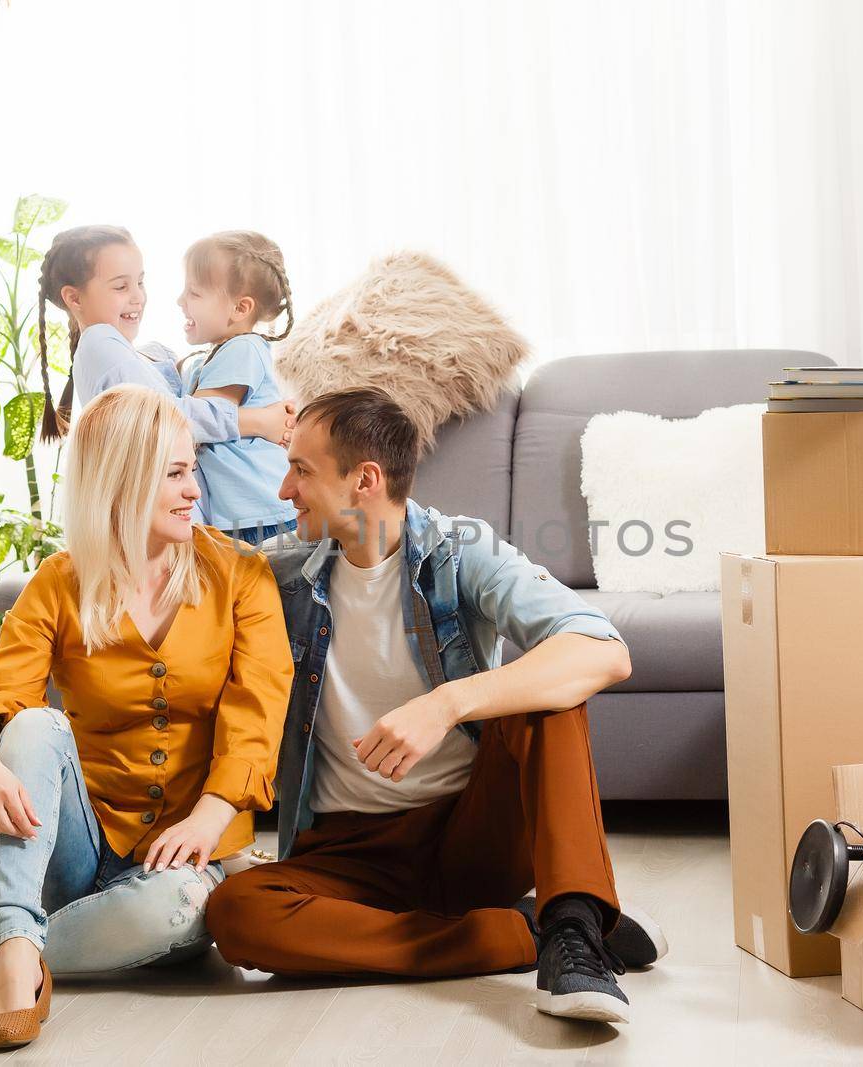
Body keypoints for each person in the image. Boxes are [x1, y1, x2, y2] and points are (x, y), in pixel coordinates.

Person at [0, 386, 293, 1050]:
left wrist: (210, 815)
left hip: (182, 864)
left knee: (176, 910)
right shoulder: (60, 580)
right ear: (122, 480)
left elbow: (259, 709)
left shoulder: (240, 576)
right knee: (31, 726)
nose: (195, 488)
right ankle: (19, 943)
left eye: (191, 468)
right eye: (174, 472)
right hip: (74, 851)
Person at [204, 387, 667, 1024]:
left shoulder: (459, 551)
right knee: (237, 915)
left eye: (301, 470)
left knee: (548, 695)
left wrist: (448, 703)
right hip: (346, 854)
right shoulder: (282, 576)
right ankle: (519, 933)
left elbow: (602, 649)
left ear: (364, 480)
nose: (284, 491)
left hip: (467, 836)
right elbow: (177, 567)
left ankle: (573, 936)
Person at [31, 224, 297, 525]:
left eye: (140, 283)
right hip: (181, 522)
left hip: (228, 516)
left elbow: (179, 397)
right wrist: (261, 421)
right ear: (74, 299)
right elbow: (167, 419)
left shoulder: (138, 353)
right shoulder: (100, 342)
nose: (138, 298)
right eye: (121, 287)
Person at [174, 230, 299, 546]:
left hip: (259, 512)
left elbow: (199, 420)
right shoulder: (218, 355)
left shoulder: (242, 348)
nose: (180, 301)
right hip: (246, 512)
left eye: (194, 293)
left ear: (240, 308)